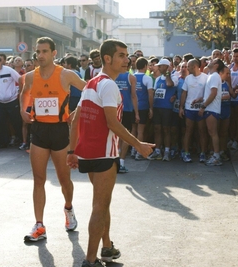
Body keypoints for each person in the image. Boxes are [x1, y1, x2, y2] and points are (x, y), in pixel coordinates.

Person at [67, 39, 154, 267]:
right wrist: (139, 145)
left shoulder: (91, 83)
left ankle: (106, 247)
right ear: (108, 58)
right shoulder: (108, 85)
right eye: (122, 56)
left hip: (89, 153)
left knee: (103, 204)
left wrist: (72, 151)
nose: (127, 60)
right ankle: (89, 260)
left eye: (127, 56)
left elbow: (73, 119)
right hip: (103, 155)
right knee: (99, 207)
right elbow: (113, 123)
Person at [20, 36, 86, 242]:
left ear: (54, 53)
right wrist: (23, 110)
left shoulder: (66, 75)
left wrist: (77, 111)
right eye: (37, 52)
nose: (40, 55)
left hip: (60, 131)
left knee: (64, 179)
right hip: (39, 131)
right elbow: (24, 93)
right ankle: (39, 225)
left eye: (44, 51)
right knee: (38, 179)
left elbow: (90, 90)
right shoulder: (30, 76)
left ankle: (68, 209)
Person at [0, 56, 22, 148]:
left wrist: (20, 92)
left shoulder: (9, 70)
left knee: (16, 121)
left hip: (12, 101)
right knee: (1, 122)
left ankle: (22, 140)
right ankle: (3, 142)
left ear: (0, 62)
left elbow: (19, 80)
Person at [199, 59, 224, 166]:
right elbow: (210, 93)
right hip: (210, 108)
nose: (209, 61)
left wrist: (203, 106)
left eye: (212, 61)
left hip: (212, 109)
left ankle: (216, 156)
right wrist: (201, 100)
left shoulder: (214, 76)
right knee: (211, 132)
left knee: (213, 133)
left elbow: (213, 93)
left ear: (216, 65)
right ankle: (215, 155)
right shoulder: (212, 75)